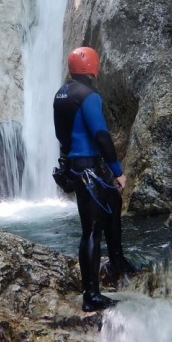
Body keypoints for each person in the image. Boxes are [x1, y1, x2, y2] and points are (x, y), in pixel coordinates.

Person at [52, 47, 136, 312]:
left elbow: (61, 134)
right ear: (93, 67)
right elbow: (101, 135)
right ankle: (91, 295)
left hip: (75, 164)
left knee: (112, 204)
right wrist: (118, 170)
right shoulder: (88, 96)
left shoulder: (62, 93)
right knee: (91, 229)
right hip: (88, 165)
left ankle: (117, 262)